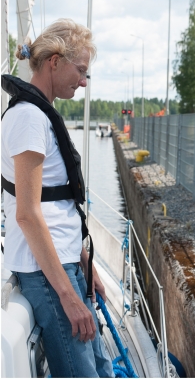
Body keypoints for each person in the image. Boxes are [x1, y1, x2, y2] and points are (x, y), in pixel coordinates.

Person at [1, 19, 114, 377]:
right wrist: (67, 295)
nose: (83, 81)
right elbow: (28, 215)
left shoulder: (39, 115)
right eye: (80, 70)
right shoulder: (29, 119)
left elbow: (56, 205)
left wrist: (84, 262)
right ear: (54, 62)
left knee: (101, 367)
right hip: (48, 276)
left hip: (64, 267)